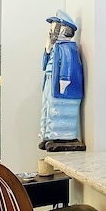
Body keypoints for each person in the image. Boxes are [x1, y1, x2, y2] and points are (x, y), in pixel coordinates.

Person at [39, 10, 86, 151]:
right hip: (49, 83)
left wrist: (64, 82)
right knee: (47, 108)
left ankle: (62, 135)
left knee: (59, 109)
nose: (51, 32)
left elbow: (68, 66)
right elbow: (43, 66)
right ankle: (49, 134)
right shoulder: (55, 48)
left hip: (60, 85)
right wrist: (47, 49)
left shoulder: (68, 48)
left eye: (54, 28)